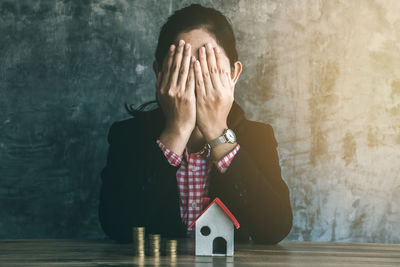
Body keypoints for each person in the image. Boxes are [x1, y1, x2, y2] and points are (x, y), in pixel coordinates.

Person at [98, 4, 292, 244]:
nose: (198, 81)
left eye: (210, 70)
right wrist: (176, 131)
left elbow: (274, 229)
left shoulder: (257, 137)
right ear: (159, 73)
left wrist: (218, 134)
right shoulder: (127, 136)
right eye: (184, 69)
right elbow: (117, 227)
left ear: (233, 75)